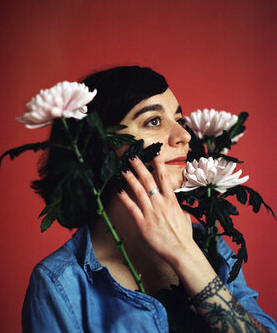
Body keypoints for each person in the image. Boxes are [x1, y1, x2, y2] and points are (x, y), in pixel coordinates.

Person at [22, 66, 277, 332]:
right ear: (101, 143)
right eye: (153, 121)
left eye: (179, 119)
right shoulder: (58, 283)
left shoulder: (212, 245)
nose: (184, 135)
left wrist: (186, 253)